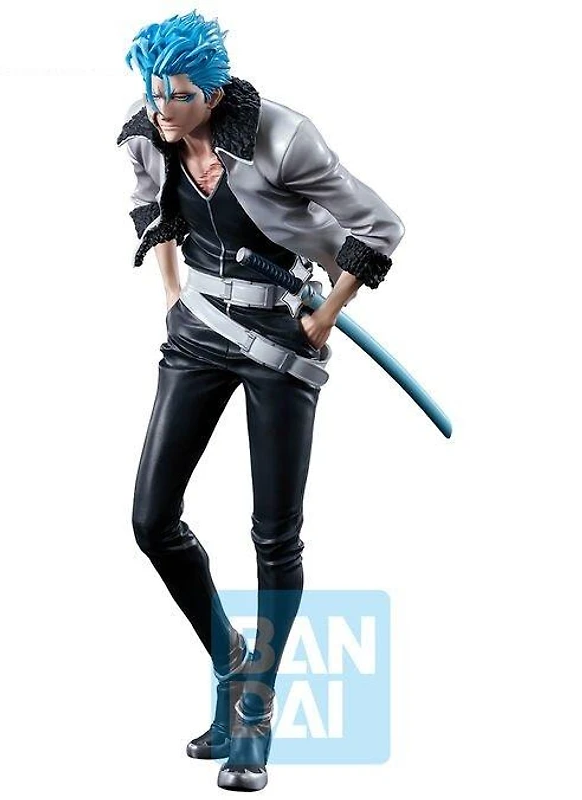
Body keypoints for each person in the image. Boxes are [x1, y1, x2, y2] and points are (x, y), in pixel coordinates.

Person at [117, 11, 404, 792]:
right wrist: (173, 292)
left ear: (212, 95)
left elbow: (380, 225)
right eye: (153, 91)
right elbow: (151, 208)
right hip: (198, 332)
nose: (160, 108)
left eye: (177, 95)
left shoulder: (283, 138)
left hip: (280, 341)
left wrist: (324, 316)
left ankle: (256, 708)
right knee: (151, 520)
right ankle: (231, 663)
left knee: (274, 536)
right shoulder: (149, 133)